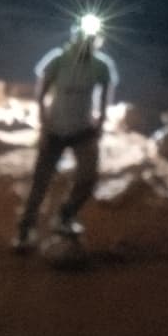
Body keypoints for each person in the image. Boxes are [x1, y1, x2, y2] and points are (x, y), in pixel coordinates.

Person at [15, 14, 118, 250]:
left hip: (82, 129)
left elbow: (105, 95)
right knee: (40, 182)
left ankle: (66, 214)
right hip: (55, 128)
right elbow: (41, 92)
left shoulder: (101, 66)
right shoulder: (59, 60)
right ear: (76, 37)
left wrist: (100, 123)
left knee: (88, 178)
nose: (87, 43)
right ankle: (25, 230)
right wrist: (43, 122)